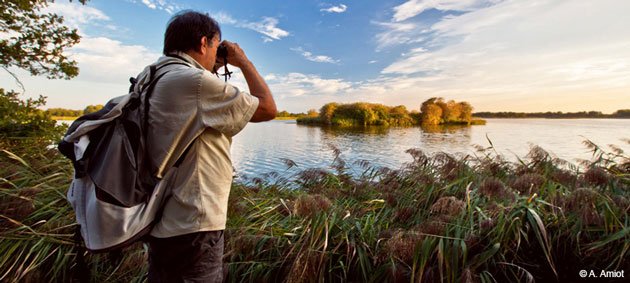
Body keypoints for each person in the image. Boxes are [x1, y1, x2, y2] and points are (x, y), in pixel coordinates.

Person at [141, 10, 277, 282]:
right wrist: (243, 61)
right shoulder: (196, 83)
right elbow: (267, 108)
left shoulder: (152, 77)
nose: (217, 54)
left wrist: (211, 64)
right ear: (204, 43)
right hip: (194, 223)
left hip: (162, 221)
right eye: (216, 46)